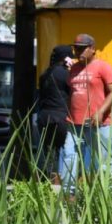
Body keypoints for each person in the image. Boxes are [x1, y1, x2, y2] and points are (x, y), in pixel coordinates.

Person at [59, 34, 112, 195]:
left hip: (98, 124)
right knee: (69, 155)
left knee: (103, 161)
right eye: (76, 48)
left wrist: (100, 112)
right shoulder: (74, 69)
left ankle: (109, 195)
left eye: (82, 48)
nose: (78, 51)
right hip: (74, 122)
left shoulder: (103, 67)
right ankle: (69, 194)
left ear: (93, 49)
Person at [36, 44, 73, 174]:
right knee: (65, 151)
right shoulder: (67, 74)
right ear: (67, 57)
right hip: (61, 117)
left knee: (49, 151)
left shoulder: (45, 74)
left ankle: (48, 179)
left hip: (44, 117)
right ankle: (63, 181)